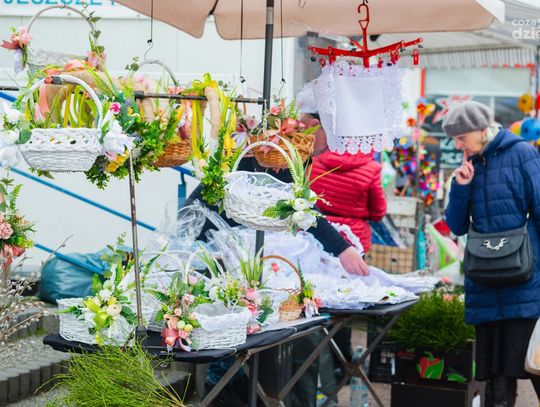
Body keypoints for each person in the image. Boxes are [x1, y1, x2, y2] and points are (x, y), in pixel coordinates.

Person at [444, 101, 540, 406]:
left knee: (535, 362)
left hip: (523, 281)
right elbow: (456, 225)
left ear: (482, 130)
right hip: (485, 282)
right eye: (454, 139)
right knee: (496, 374)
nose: (458, 145)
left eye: (461, 137)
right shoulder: (469, 167)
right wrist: (461, 186)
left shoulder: (523, 154)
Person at [305, 112, 387, 254]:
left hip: (315, 234)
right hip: (353, 240)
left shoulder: (315, 160)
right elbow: (378, 213)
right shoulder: (371, 169)